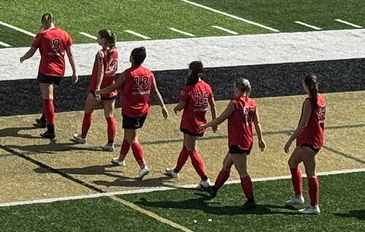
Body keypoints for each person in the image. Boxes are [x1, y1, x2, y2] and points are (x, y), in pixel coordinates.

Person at [99, 46, 167, 179]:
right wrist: (163, 106)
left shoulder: (128, 73)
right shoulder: (149, 73)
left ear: (132, 58)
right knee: (128, 135)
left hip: (131, 111)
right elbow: (155, 91)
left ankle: (143, 166)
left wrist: (99, 92)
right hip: (143, 110)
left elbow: (114, 87)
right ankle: (121, 159)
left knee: (132, 138)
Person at [205, 77, 265, 208]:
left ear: (238, 88)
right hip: (246, 140)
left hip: (237, 141)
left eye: (234, 87)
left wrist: (205, 126)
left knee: (242, 171)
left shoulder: (235, 103)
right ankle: (214, 189)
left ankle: (251, 200)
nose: (233, 90)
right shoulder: (252, 103)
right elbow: (257, 123)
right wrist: (261, 139)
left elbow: (220, 119)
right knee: (226, 164)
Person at [19, 13, 77, 140]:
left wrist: (23, 58)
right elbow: (70, 55)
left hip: (46, 70)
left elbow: (31, 52)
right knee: (49, 95)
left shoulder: (43, 35)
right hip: (60, 70)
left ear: (44, 23)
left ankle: (51, 129)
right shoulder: (64, 34)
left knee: (47, 99)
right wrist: (74, 71)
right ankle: (44, 119)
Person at [165, 60, 215, 189]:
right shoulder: (206, 86)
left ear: (191, 71)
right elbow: (213, 105)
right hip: (201, 122)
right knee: (186, 147)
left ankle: (204, 179)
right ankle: (176, 171)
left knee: (191, 150)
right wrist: (214, 122)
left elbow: (181, 105)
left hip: (190, 123)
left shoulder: (188, 88)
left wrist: (175, 108)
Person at [284, 73, 326, 214]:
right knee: (292, 163)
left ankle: (314, 206)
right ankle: (298, 197)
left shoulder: (309, 102)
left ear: (306, 85)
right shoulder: (321, 99)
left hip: (309, 141)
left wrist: (290, 140)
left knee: (311, 174)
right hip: (314, 139)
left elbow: (303, 124)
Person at [71, 29, 119, 150]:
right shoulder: (115, 52)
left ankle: (83, 136)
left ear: (104, 39)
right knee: (109, 116)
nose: (97, 39)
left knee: (88, 111)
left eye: (99, 37)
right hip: (110, 88)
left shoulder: (100, 53)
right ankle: (110, 143)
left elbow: (100, 71)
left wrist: (97, 88)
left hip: (98, 88)